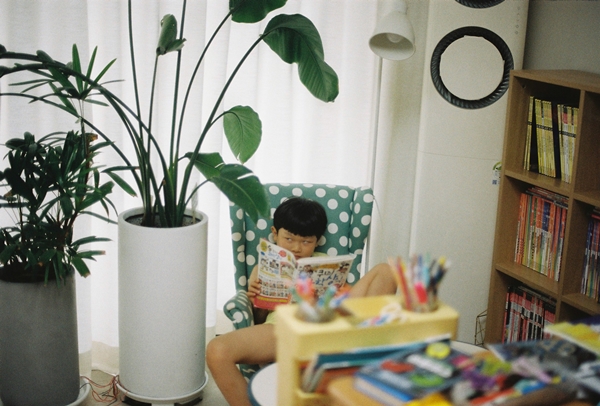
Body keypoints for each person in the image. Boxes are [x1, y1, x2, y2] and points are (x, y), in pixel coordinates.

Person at [206, 197, 396, 406]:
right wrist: (257, 301)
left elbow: (346, 300)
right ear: (275, 233)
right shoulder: (262, 268)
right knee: (217, 350)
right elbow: (258, 321)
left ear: (317, 240)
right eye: (289, 239)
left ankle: (361, 345)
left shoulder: (325, 263)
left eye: (306, 242)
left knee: (387, 270)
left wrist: (334, 297)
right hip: (281, 329)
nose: (296, 248)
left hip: (329, 328)